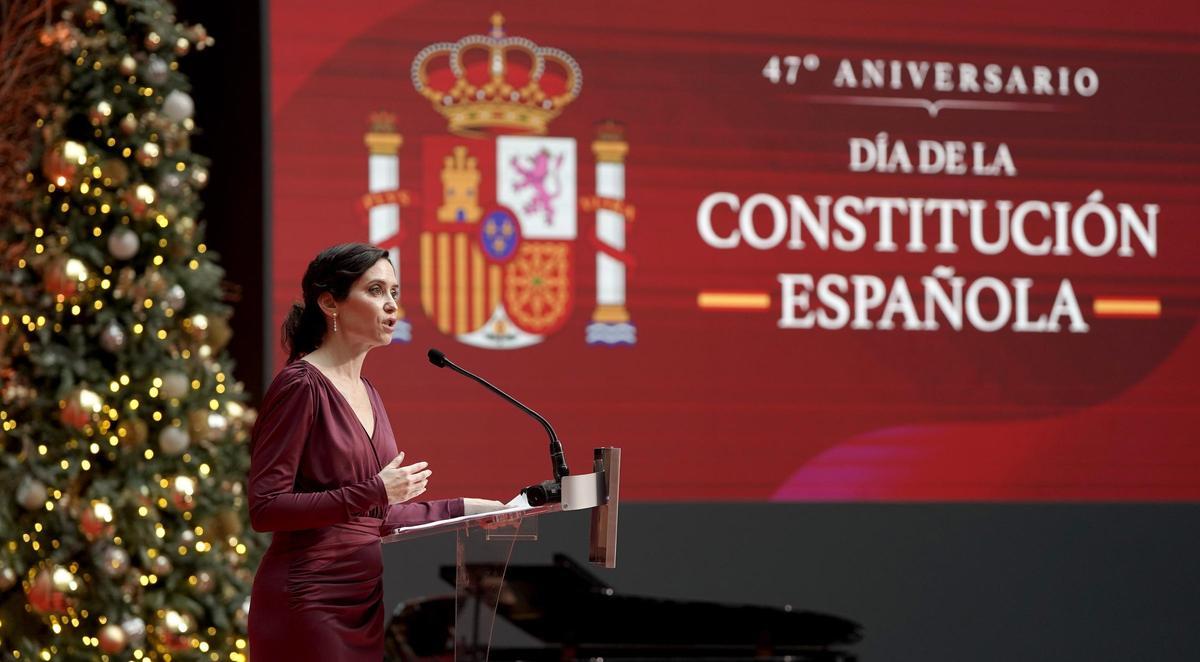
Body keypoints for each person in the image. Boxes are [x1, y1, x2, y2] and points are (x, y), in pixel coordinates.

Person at [247, 243, 505, 660]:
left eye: (395, 293)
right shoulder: (301, 386)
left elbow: (372, 516)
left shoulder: (370, 393)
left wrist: (469, 508)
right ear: (329, 302)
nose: (391, 306)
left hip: (363, 602)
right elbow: (266, 507)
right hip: (307, 599)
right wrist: (374, 491)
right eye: (376, 291)